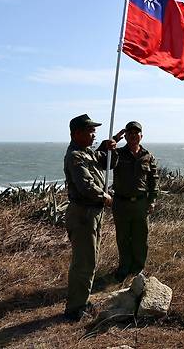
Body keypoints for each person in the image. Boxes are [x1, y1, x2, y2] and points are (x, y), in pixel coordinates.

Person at [63, 114, 124, 321]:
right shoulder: (75, 156)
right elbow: (85, 186)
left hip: (92, 214)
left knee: (90, 259)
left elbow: (108, 164)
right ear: (77, 133)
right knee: (83, 262)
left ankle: (82, 301)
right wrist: (105, 196)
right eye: (90, 131)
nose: (94, 133)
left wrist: (111, 146)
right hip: (83, 214)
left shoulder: (86, 152)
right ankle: (75, 309)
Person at [111, 121, 159, 281]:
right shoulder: (117, 153)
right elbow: (102, 161)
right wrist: (113, 140)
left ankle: (137, 269)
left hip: (140, 203)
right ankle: (124, 268)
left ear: (141, 136)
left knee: (140, 238)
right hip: (121, 203)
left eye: (136, 133)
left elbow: (154, 180)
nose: (133, 135)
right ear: (125, 136)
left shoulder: (147, 156)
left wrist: (152, 200)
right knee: (123, 238)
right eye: (129, 133)